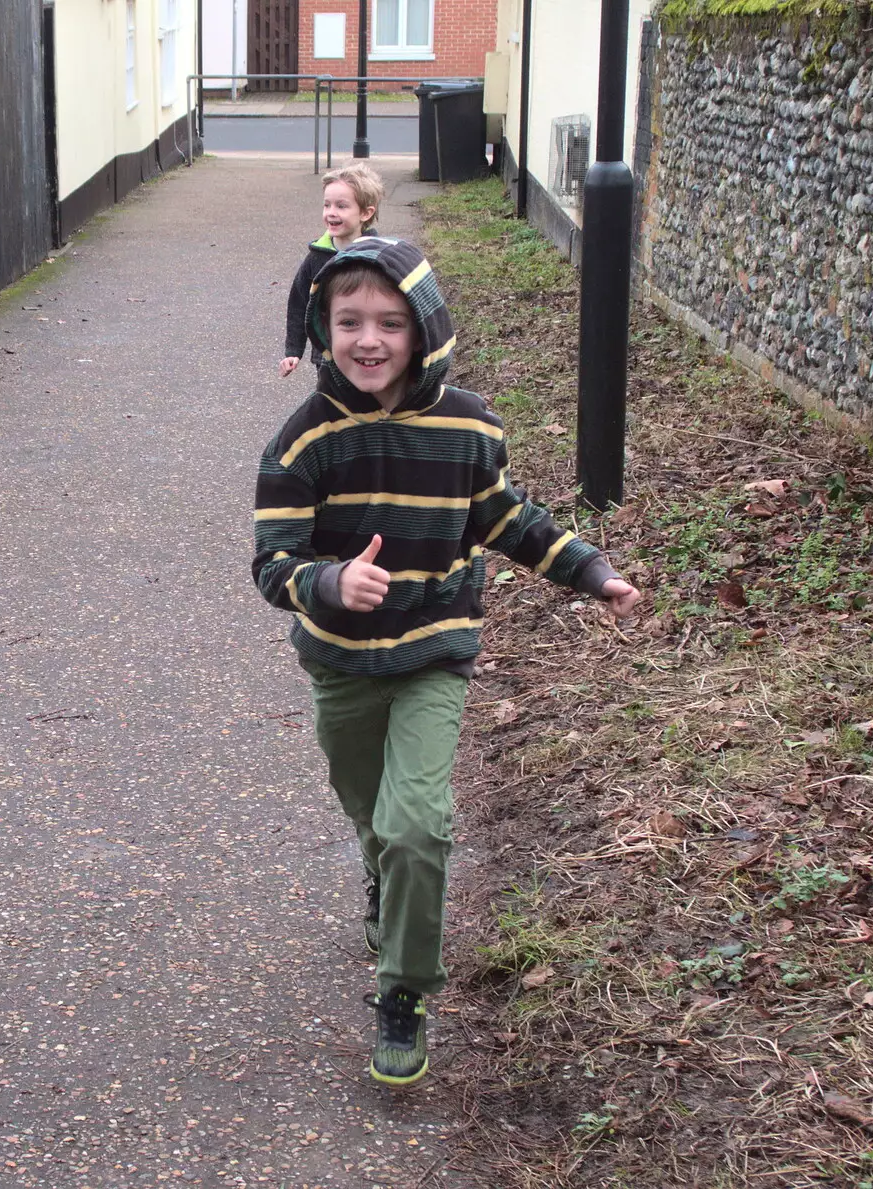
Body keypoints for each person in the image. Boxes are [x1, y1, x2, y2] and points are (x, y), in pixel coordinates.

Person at [252, 237, 642, 1086]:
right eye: (349, 320)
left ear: (423, 329)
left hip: (434, 650)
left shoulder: (468, 423)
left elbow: (509, 519)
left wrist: (592, 571)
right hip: (342, 664)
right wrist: (326, 580)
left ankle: (403, 991)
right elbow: (271, 563)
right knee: (372, 815)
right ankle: (384, 883)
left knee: (417, 823)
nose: (368, 340)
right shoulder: (302, 440)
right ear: (323, 325)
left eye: (390, 322)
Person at [279, 163, 385, 380]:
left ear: (366, 212)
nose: (331, 213)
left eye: (341, 206)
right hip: (327, 355)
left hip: (368, 353)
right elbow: (299, 302)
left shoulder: (379, 256)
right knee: (331, 406)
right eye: (327, 205)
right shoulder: (318, 257)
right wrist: (293, 351)